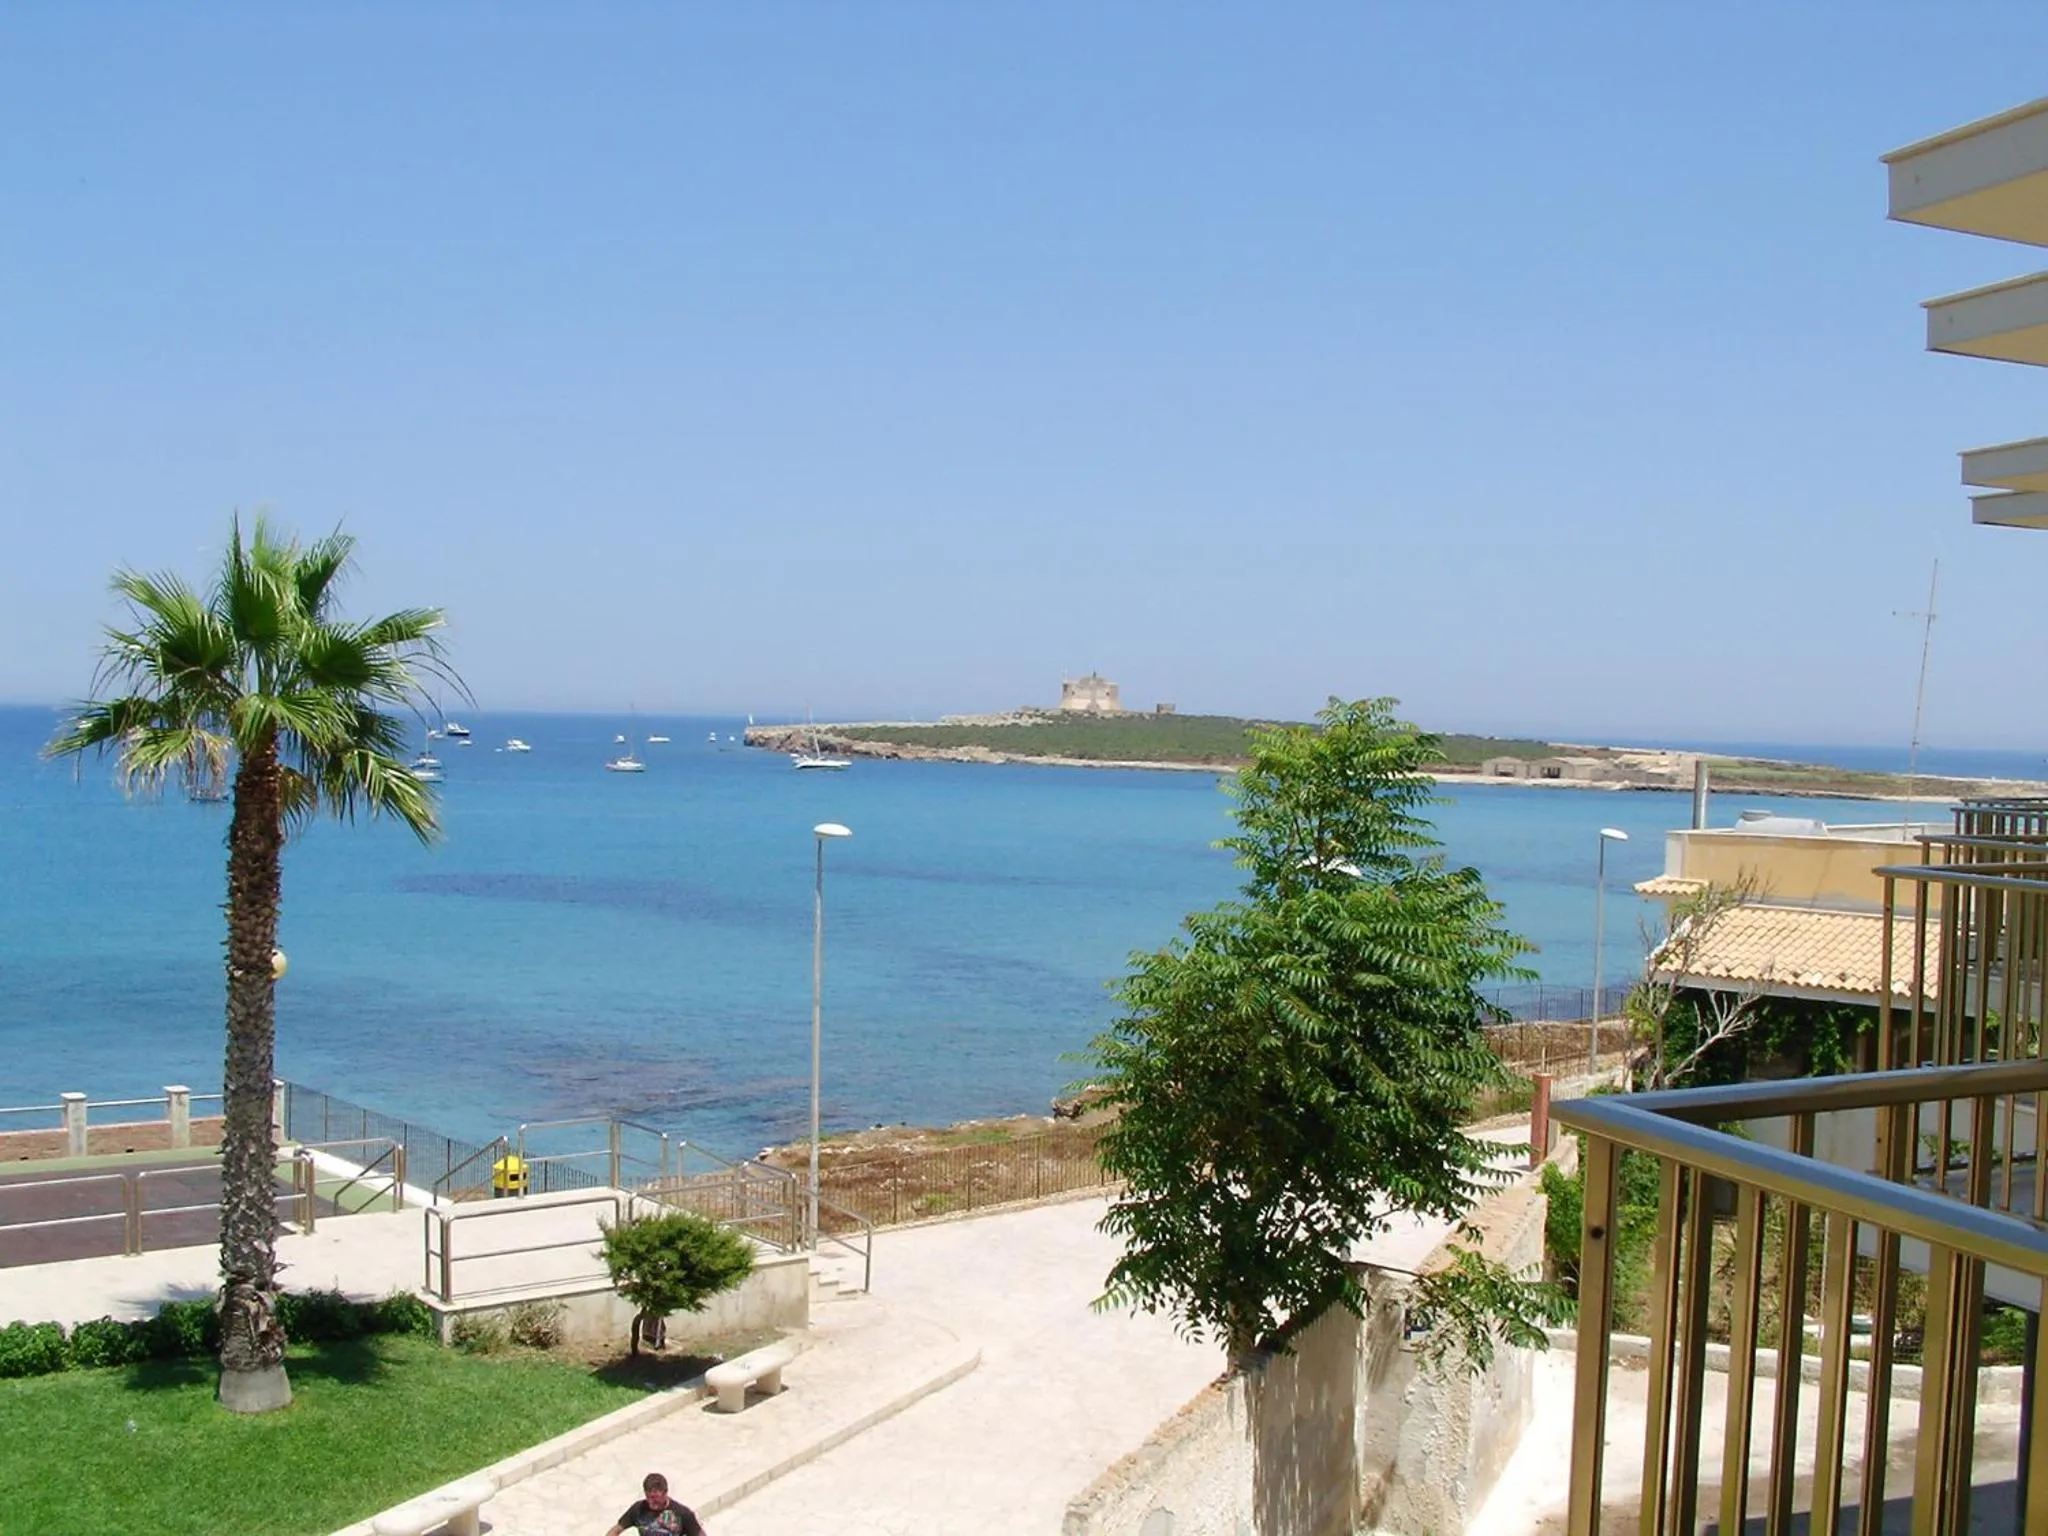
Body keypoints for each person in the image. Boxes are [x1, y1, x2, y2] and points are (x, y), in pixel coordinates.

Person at [605, 1471, 705, 1535]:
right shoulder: (638, 1508)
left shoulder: (682, 1513)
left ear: (665, 1493)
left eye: (655, 1498)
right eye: (648, 1497)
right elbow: (616, 1529)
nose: (651, 1502)